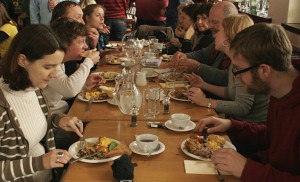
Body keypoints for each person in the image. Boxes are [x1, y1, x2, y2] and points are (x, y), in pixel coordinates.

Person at [196, 23, 300, 181]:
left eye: (238, 69)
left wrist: (247, 169)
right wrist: (231, 125)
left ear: (264, 71)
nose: (236, 76)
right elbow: (270, 136)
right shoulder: (280, 89)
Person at [0, 24, 83, 181]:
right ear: (23, 60)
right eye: (48, 67)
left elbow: (29, 121)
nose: (54, 74)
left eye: (57, 66)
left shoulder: (33, 87)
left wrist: (58, 119)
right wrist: (38, 163)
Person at [186, 14, 269, 123]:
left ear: (227, 39)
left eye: (219, 31)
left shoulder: (244, 63)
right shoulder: (234, 60)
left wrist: (206, 101)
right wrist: (204, 85)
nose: (214, 36)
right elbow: (231, 93)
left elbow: (242, 107)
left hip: (251, 128)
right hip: (236, 122)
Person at [170, 1, 238, 87]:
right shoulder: (218, 36)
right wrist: (184, 55)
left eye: (215, 22)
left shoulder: (240, 45)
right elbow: (203, 54)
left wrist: (198, 67)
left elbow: (228, 78)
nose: (210, 26)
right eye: (210, 21)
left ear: (230, 21)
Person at [44, 17, 102, 113]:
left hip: (62, 112)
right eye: (81, 42)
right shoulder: (49, 63)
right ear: (64, 43)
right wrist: (89, 62)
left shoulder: (61, 63)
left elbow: (62, 92)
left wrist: (85, 85)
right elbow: (69, 90)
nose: (86, 46)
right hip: (52, 118)